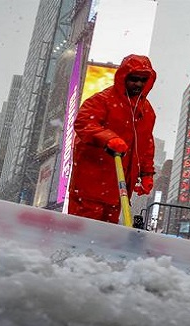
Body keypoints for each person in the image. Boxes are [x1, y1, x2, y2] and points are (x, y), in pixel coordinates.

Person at [67, 54, 157, 224]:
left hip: (118, 190)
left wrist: (146, 173)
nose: (138, 84)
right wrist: (109, 139)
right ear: (124, 77)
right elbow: (84, 122)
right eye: (134, 79)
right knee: (82, 234)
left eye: (143, 80)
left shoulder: (147, 111)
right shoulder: (103, 100)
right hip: (91, 186)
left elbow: (145, 144)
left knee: (106, 239)